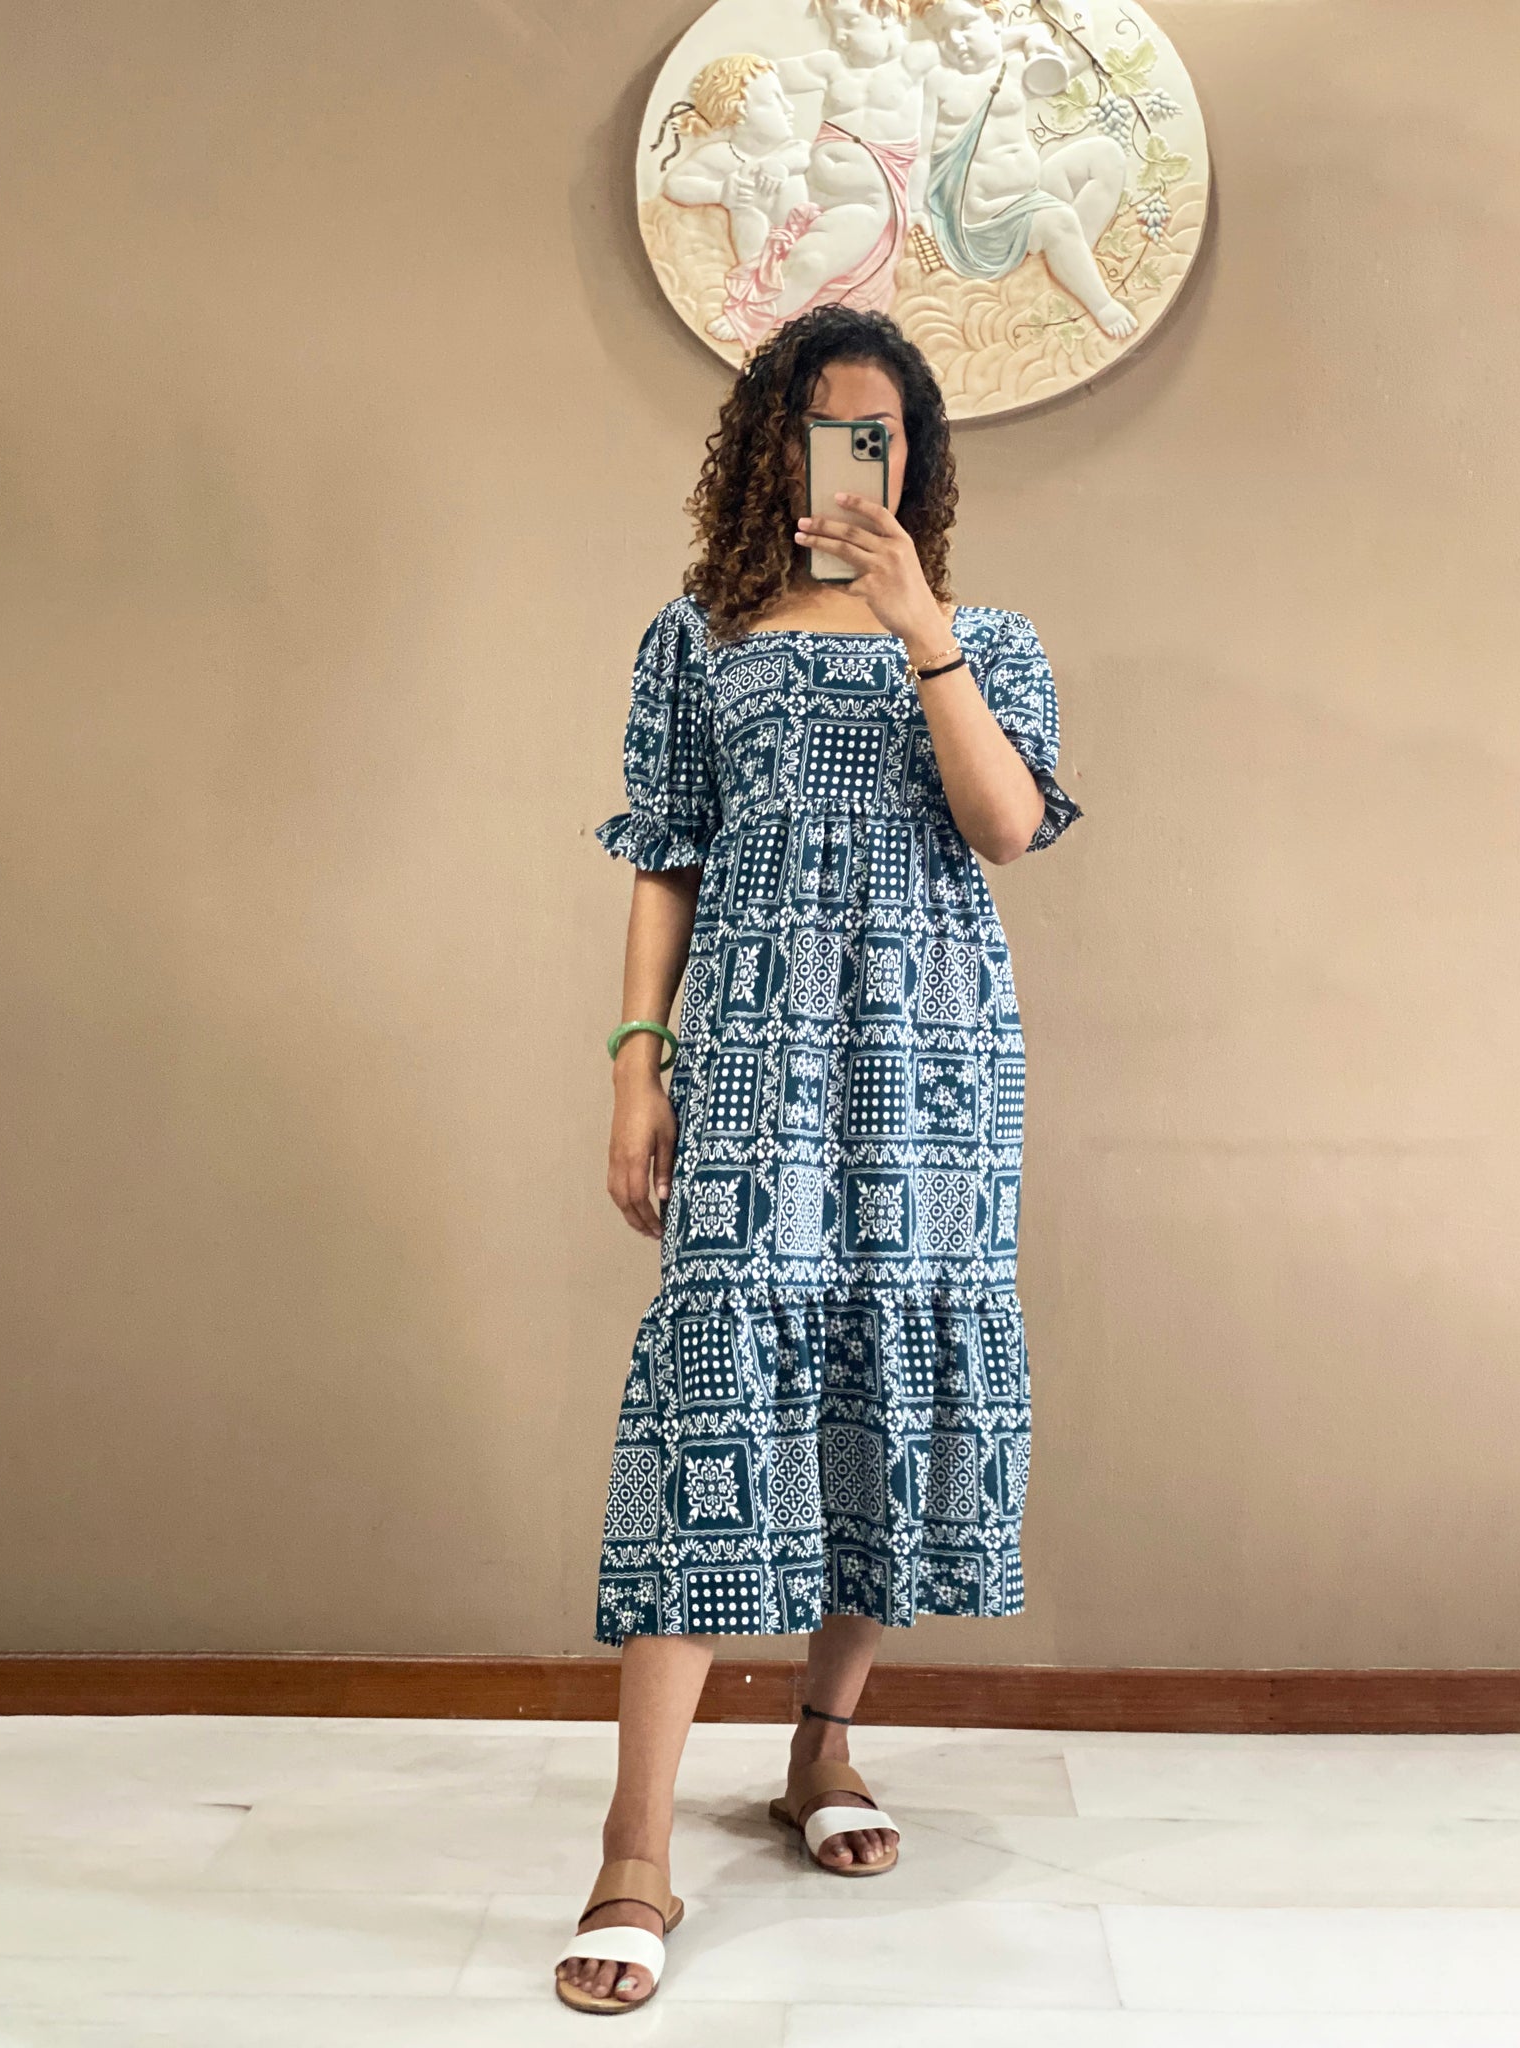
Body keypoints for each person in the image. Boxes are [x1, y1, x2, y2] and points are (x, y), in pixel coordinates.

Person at [557, 303, 1081, 2015]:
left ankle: (821, 1745)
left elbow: (1006, 826)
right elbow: (666, 858)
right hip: (758, 1058)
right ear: (771, 449)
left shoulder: (988, 638)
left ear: (917, 453)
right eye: (826, 426)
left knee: (892, 1385)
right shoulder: (694, 639)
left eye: (885, 429)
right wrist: (636, 1066)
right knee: (716, 1397)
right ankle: (636, 1846)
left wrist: (921, 628)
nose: (861, 454)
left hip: (932, 1067)